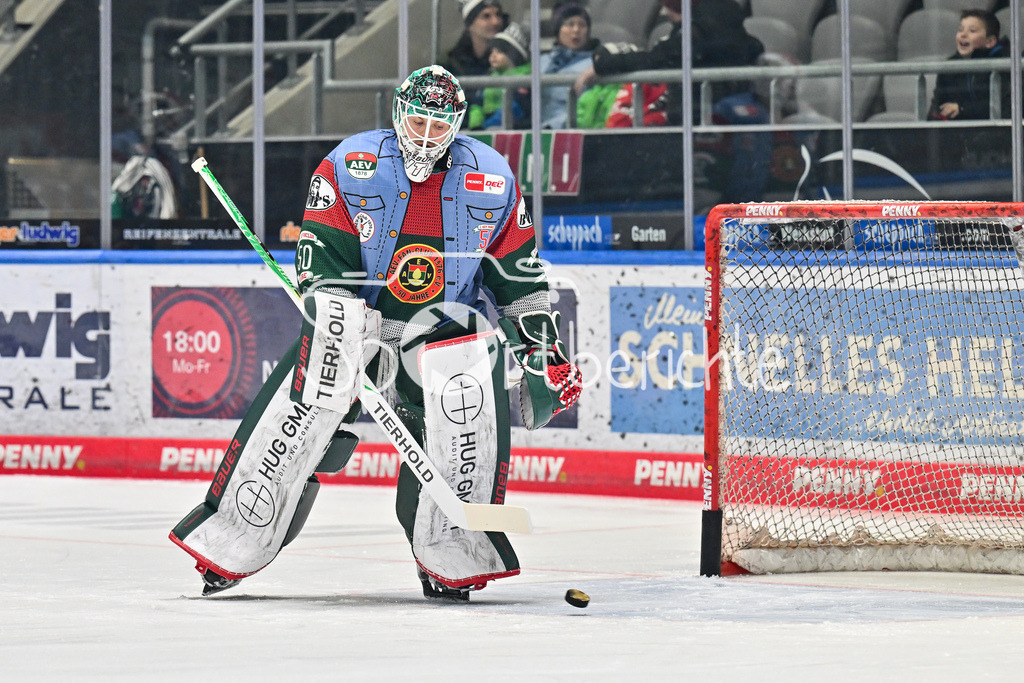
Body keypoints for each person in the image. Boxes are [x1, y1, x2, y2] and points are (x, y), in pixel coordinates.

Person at [169, 65, 582, 601]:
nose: (426, 135)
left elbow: (518, 275)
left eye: (439, 125)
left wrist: (540, 347)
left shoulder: (493, 176)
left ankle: (451, 554)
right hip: (355, 322)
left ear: (456, 125)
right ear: (397, 114)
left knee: (467, 417)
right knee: (294, 419)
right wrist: (338, 316)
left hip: (441, 333)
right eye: (418, 120)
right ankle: (236, 538)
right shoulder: (352, 163)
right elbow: (324, 259)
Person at [572, 0, 764, 126]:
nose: (664, 11)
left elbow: (659, 58)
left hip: (703, 117)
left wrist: (603, 65)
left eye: (668, 6)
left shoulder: (703, 25)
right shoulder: (718, 19)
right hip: (707, 112)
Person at [928, 9, 1011, 121]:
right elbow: (936, 108)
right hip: (959, 135)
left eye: (972, 31)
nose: (963, 34)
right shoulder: (949, 68)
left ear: (990, 42)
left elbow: (1006, 107)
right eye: (960, 30)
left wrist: (962, 109)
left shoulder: (1005, 64)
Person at [539, 2, 601, 129]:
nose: (576, 30)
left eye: (582, 25)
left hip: (573, 134)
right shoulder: (541, 61)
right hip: (537, 135)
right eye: (570, 24)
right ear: (558, 29)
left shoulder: (595, 64)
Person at [467, 22, 532, 130]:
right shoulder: (489, 78)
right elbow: (477, 104)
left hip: (511, 128)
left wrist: (487, 126)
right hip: (485, 127)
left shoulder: (524, 79)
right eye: (492, 51)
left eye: (500, 51)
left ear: (513, 55)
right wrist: (475, 125)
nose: (493, 55)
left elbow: (515, 108)